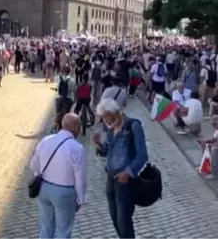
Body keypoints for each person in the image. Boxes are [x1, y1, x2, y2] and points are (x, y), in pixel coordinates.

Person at [93, 98, 148, 239]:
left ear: (116, 112)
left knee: (124, 221)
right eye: (104, 119)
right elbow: (107, 150)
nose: (107, 122)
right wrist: (99, 144)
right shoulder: (111, 129)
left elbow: (142, 155)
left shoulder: (133, 126)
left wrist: (128, 173)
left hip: (125, 181)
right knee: (115, 218)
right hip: (110, 178)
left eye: (108, 118)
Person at [29, 113, 87, 239]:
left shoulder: (46, 140)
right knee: (63, 231)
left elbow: (34, 165)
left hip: (44, 188)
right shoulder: (77, 148)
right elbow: (80, 178)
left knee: (45, 227)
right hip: (64, 192)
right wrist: (80, 199)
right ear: (77, 128)